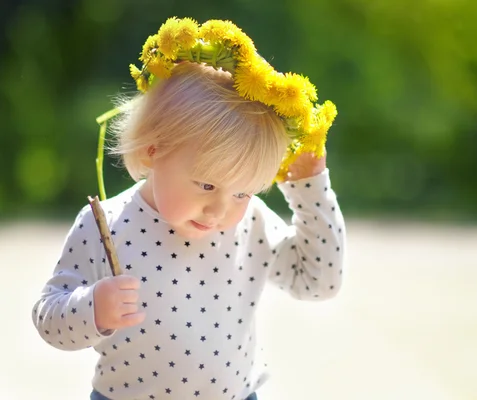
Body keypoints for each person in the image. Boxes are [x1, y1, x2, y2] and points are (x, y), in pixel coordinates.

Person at [31, 17, 346, 400]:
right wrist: (92, 307)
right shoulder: (106, 226)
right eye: (207, 185)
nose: (218, 210)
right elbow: (49, 318)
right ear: (154, 149)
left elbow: (318, 281)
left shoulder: (251, 223)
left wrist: (310, 188)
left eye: (243, 192)